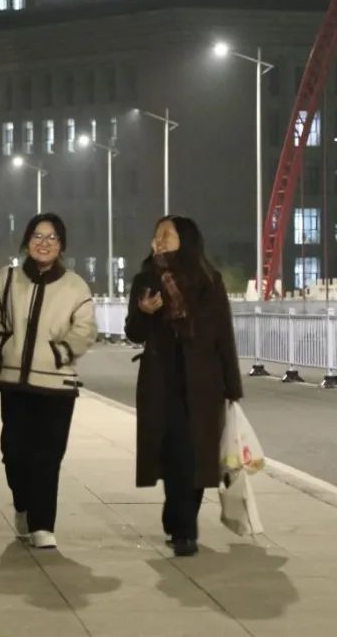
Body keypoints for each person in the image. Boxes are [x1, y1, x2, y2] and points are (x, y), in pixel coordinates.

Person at [0, 213, 96, 550]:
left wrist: (61, 352)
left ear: (62, 245)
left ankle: (43, 525)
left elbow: (85, 328)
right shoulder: (8, 278)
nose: (44, 243)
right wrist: (2, 344)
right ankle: (23, 506)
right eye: (38, 236)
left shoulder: (75, 286)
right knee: (14, 453)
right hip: (14, 383)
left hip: (57, 386)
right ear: (27, 241)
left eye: (52, 237)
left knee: (48, 456)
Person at [124, 215, 243, 558]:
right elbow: (133, 332)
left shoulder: (208, 281)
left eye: (167, 235)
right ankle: (181, 527)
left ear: (186, 240)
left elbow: (223, 335)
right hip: (162, 380)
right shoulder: (145, 279)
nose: (158, 241)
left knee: (197, 456)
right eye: (156, 235)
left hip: (203, 382)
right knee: (174, 454)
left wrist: (232, 387)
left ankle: (182, 524)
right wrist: (145, 311)